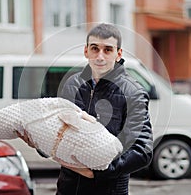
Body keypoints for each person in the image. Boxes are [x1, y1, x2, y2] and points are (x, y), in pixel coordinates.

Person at [19, 23, 153, 195]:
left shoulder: (133, 93)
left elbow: (142, 150)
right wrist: (41, 143)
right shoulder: (72, 84)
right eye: (95, 49)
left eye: (108, 50)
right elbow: (57, 130)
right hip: (68, 189)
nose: (100, 57)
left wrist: (98, 170)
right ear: (86, 51)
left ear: (118, 54)